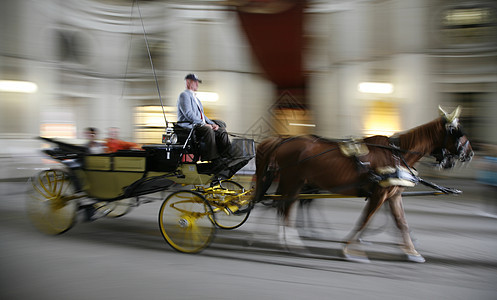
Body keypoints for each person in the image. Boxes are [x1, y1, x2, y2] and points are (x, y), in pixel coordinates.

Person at [177, 73, 231, 163]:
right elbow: (188, 113)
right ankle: (211, 157)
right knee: (207, 129)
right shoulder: (184, 95)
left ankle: (226, 155)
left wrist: (212, 124)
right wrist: (204, 124)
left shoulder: (196, 99)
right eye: (195, 82)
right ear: (188, 82)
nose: (197, 84)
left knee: (221, 130)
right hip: (189, 125)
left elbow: (202, 115)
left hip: (198, 124)